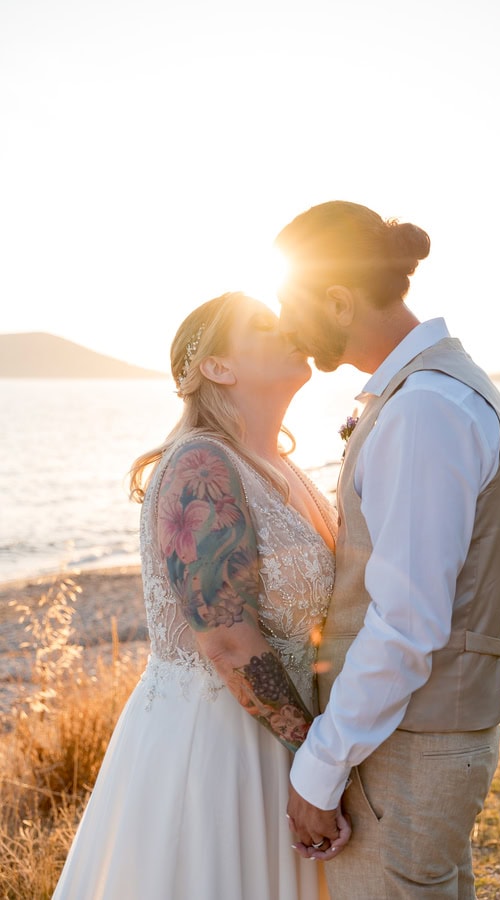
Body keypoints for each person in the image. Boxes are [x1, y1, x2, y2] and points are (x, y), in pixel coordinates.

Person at [52, 291, 350, 900]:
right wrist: (314, 759)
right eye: (266, 325)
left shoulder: (287, 468)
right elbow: (224, 635)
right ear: (217, 366)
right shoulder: (200, 465)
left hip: (284, 732)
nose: (292, 325)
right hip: (219, 744)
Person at [274, 201, 500, 899]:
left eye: (292, 305)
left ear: (339, 299)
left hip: (406, 745)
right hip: (420, 735)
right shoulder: (429, 394)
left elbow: (407, 620)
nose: (290, 328)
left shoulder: (423, 410)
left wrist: (320, 767)